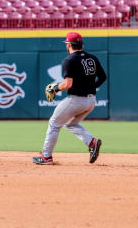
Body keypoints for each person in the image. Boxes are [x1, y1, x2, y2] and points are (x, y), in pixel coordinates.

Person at [34, 31, 107, 165]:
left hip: (76, 100)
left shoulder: (70, 60)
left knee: (54, 123)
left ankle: (46, 157)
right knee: (69, 123)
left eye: (66, 43)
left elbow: (68, 84)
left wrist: (54, 88)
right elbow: (103, 77)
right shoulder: (92, 58)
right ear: (81, 44)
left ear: (69, 45)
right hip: (91, 101)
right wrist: (91, 88)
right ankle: (92, 142)